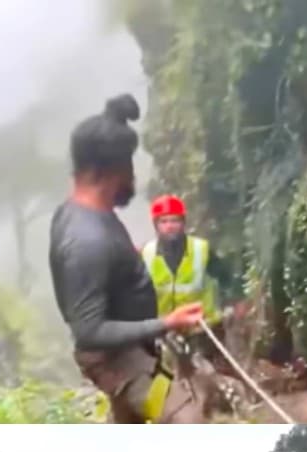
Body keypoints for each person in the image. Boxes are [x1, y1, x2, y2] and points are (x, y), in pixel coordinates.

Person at [48, 94, 212, 423]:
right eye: (129, 166)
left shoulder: (83, 214)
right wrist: (168, 322)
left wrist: (124, 265)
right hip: (119, 362)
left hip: (134, 352)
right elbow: (89, 332)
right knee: (185, 418)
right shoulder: (87, 241)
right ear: (109, 171)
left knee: (129, 421)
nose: (133, 177)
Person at [140, 194, 242, 378]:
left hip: (204, 327)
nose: (169, 226)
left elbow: (226, 276)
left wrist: (237, 300)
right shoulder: (146, 254)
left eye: (174, 221)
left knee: (218, 373)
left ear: (183, 223)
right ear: (156, 225)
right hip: (168, 330)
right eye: (164, 222)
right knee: (177, 377)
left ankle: (235, 401)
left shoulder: (201, 249)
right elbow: (138, 292)